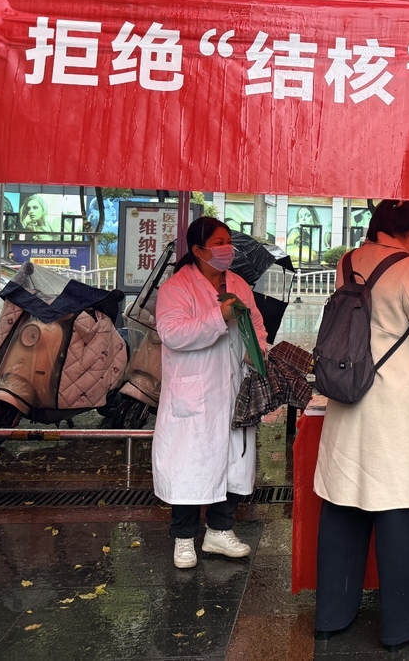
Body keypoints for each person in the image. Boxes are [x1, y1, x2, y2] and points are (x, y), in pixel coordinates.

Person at [313, 200, 409, 652]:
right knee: (403, 508)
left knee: (344, 501)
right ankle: (402, 627)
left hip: (348, 393)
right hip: (392, 405)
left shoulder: (348, 261)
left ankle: (332, 615)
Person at [153, 216, 268, 570]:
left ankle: (220, 530)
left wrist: (257, 348)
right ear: (199, 249)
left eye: (228, 241)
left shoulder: (238, 284)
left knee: (233, 462)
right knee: (189, 464)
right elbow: (172, 333)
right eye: (219, 243)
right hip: (195, 392)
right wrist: (219, 316)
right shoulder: (176, 287)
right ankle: (184, 538)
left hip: (233, 388)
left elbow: (256, 323)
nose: (226, 249)